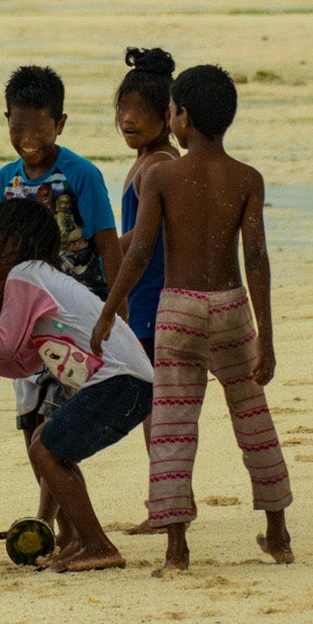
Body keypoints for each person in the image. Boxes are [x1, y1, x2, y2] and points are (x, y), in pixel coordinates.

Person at [92, 63, 294, 576]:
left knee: (172, 429)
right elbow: (257, 259)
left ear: (180, 117)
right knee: (254, 421)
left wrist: (108, 311)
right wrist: (266, 337)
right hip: (230, 306)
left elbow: (138, 254)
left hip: (177, 309)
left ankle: (176, 549)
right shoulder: (248, 178)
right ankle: (278, 532)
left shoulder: (161, 175)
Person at [0, 198, 154, 572]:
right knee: (51, 446)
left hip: (119, 383)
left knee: (46, 449)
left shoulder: (25, 276)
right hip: (134, 387)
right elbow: (21, 363)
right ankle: (83, 540)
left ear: (14, 244)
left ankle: (98, 544)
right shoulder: (42, 278)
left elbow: (3, 343)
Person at [0, 65, 121, 517]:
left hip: (73, 322)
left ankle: (46, 521)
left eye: (39, 127)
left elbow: (108, 245)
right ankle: (59, 522)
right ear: (6, 119)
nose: (27, 137)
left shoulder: (81, 175)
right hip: (23, 324)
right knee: (30, 423)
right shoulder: (4, 181)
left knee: (54, 422)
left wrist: (112, 313)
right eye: (17, 125)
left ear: (60, 123)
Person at [114, 47, 179, 536]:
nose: (128, 119)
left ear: (167, 116)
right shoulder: (145, 161)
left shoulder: (158, 164)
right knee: (155, 406)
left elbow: (142, 239)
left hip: (153, 299)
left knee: (157, 408)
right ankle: (170, 498)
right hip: (142, 299)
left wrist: (93, 254)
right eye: (122, 109)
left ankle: (168, 503)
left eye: (141, 112)